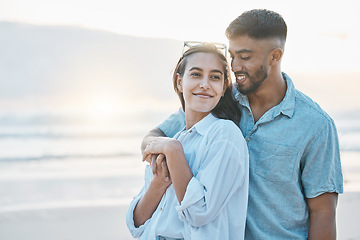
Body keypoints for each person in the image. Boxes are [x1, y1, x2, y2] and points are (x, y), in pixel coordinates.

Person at [141, 9, 343, 240]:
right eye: (233, 56)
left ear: (274, 56)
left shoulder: (316, 125)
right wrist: (159, 153)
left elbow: (323, 213)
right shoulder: (219, 99)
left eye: (245, 57)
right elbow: (156, 136)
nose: (235, 66)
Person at [126, 43, 249, 239]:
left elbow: (199, 213)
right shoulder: (176, 137)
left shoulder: (225, 135)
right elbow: (137, 223)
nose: (205, 84)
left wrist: (174, 151)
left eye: (215, 77)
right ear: (179, 82)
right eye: (196, 74)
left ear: (224, 87)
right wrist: (159, 183)